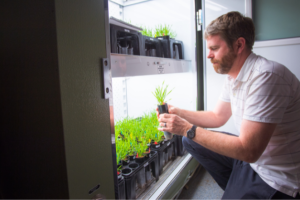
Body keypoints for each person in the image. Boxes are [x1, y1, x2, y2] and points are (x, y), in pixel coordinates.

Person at [157, 11, 300, 199]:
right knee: (189, 141)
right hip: (255, 160)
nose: (208, 55)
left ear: (239, 45)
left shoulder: (267, 77)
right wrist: (180, 113)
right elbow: (218, 117)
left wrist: (186, 128)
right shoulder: (234, 76)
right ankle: (237, 188)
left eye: (214, 48)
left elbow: (248, 151)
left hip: (277, 177)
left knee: (190, 135)